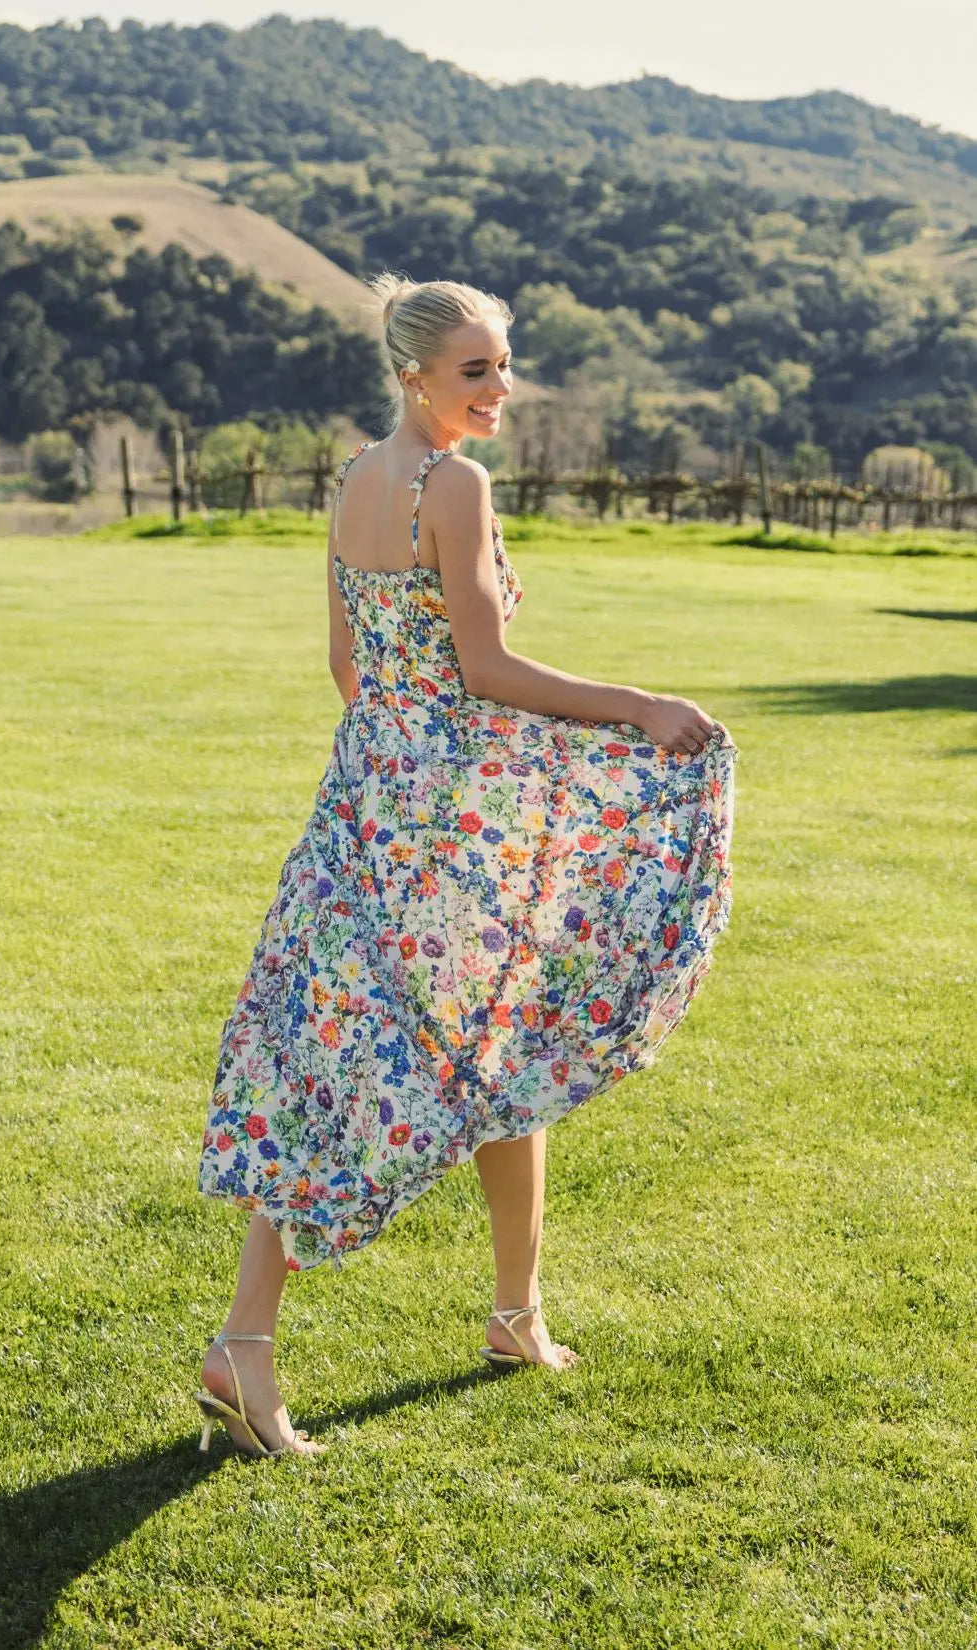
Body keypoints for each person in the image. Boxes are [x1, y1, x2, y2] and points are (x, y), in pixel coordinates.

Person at [194, 272, 739, 1459]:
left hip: (368, 800)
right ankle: (244, 1345)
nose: (501, 387)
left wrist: (399, 762)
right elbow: (485, 667)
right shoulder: (452, 484)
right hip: (446, 817)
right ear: (415, 376)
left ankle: (513, 1316)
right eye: (475, 370)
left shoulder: (355, 476)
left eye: (504, 364)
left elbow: (346, 664)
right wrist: (636, 706)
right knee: (391, 1067)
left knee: (485, 1044)